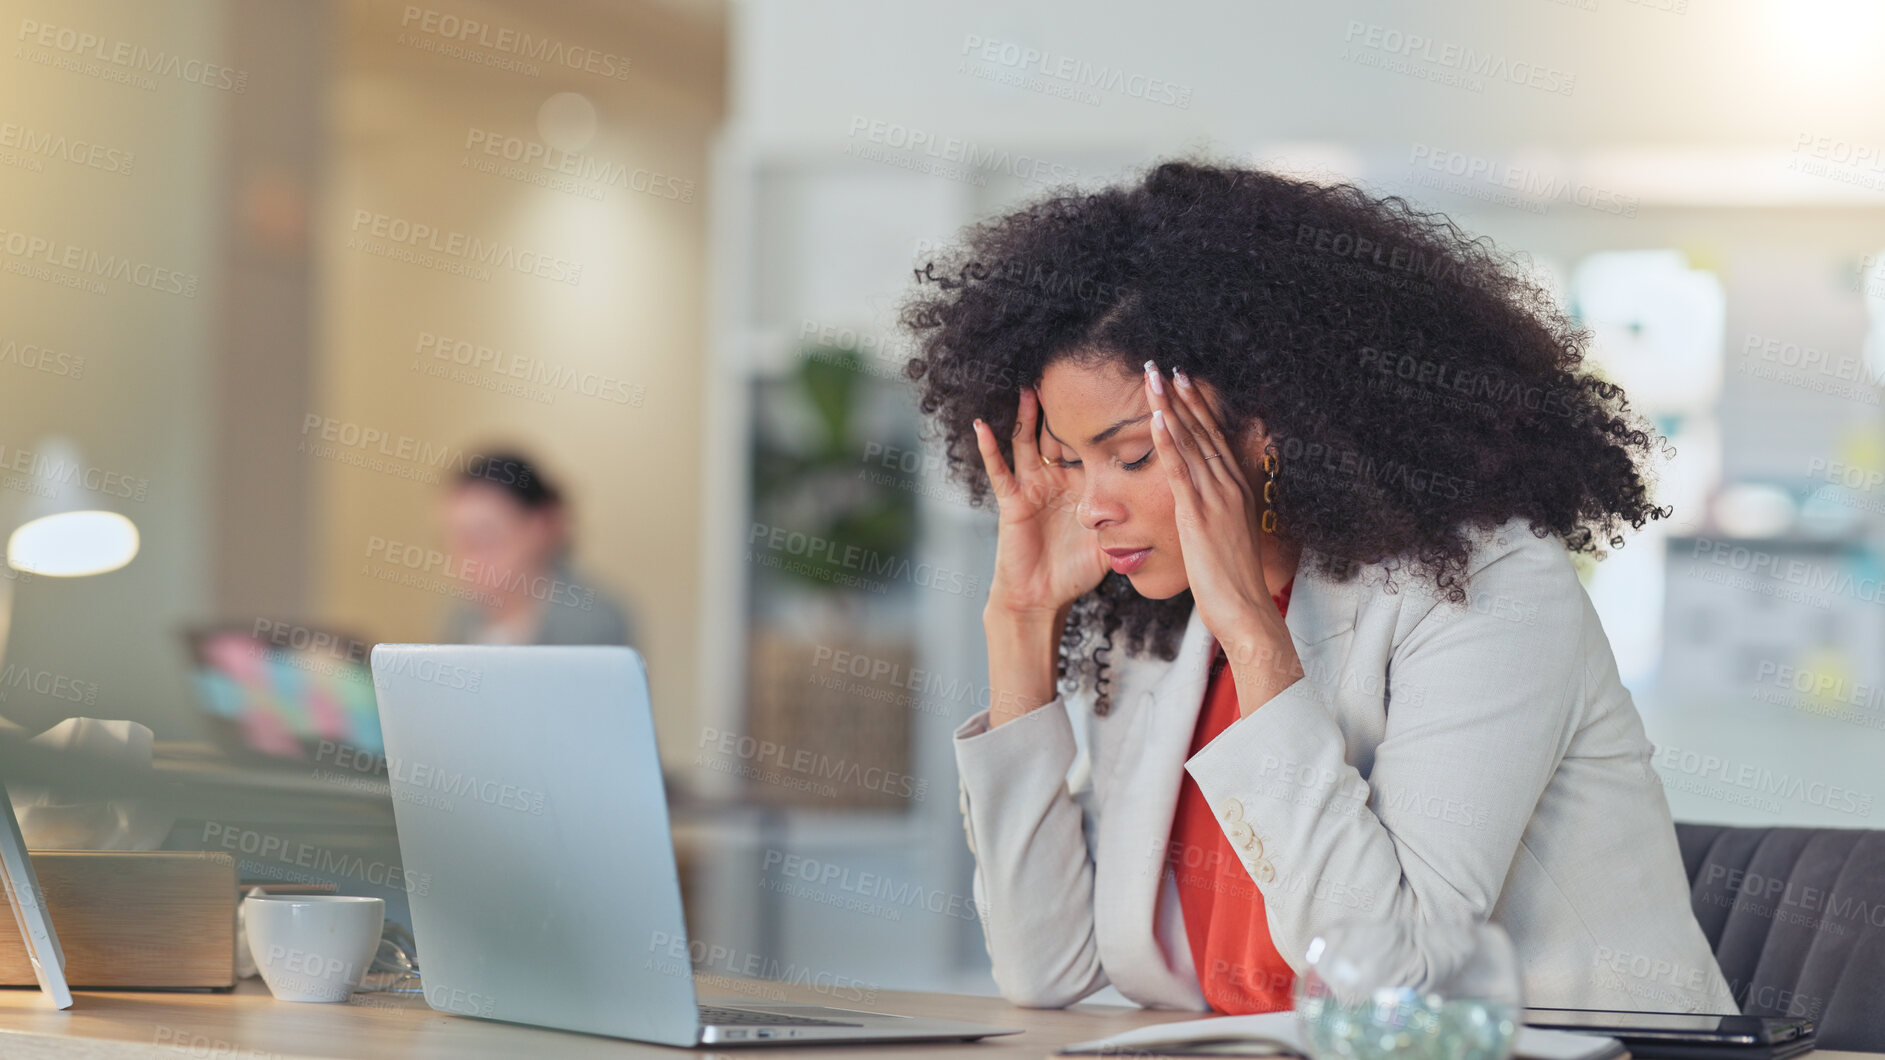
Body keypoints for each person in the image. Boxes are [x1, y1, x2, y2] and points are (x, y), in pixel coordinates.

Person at [899, 160, 1734, 1015]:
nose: (1092, 507)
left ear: (1267, 425)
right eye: (1070, 464)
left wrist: (1258, 644)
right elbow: (1045, 968)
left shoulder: (1488, 587)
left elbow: (1395, 972)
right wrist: (1021, 621)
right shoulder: (1159, 633)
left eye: (1133, 455)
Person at [439, 451, 636, 648]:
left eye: (484, 539)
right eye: (456, 542)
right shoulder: (460, 620)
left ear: (540, 527)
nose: (466, 559)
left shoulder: (595, 623)